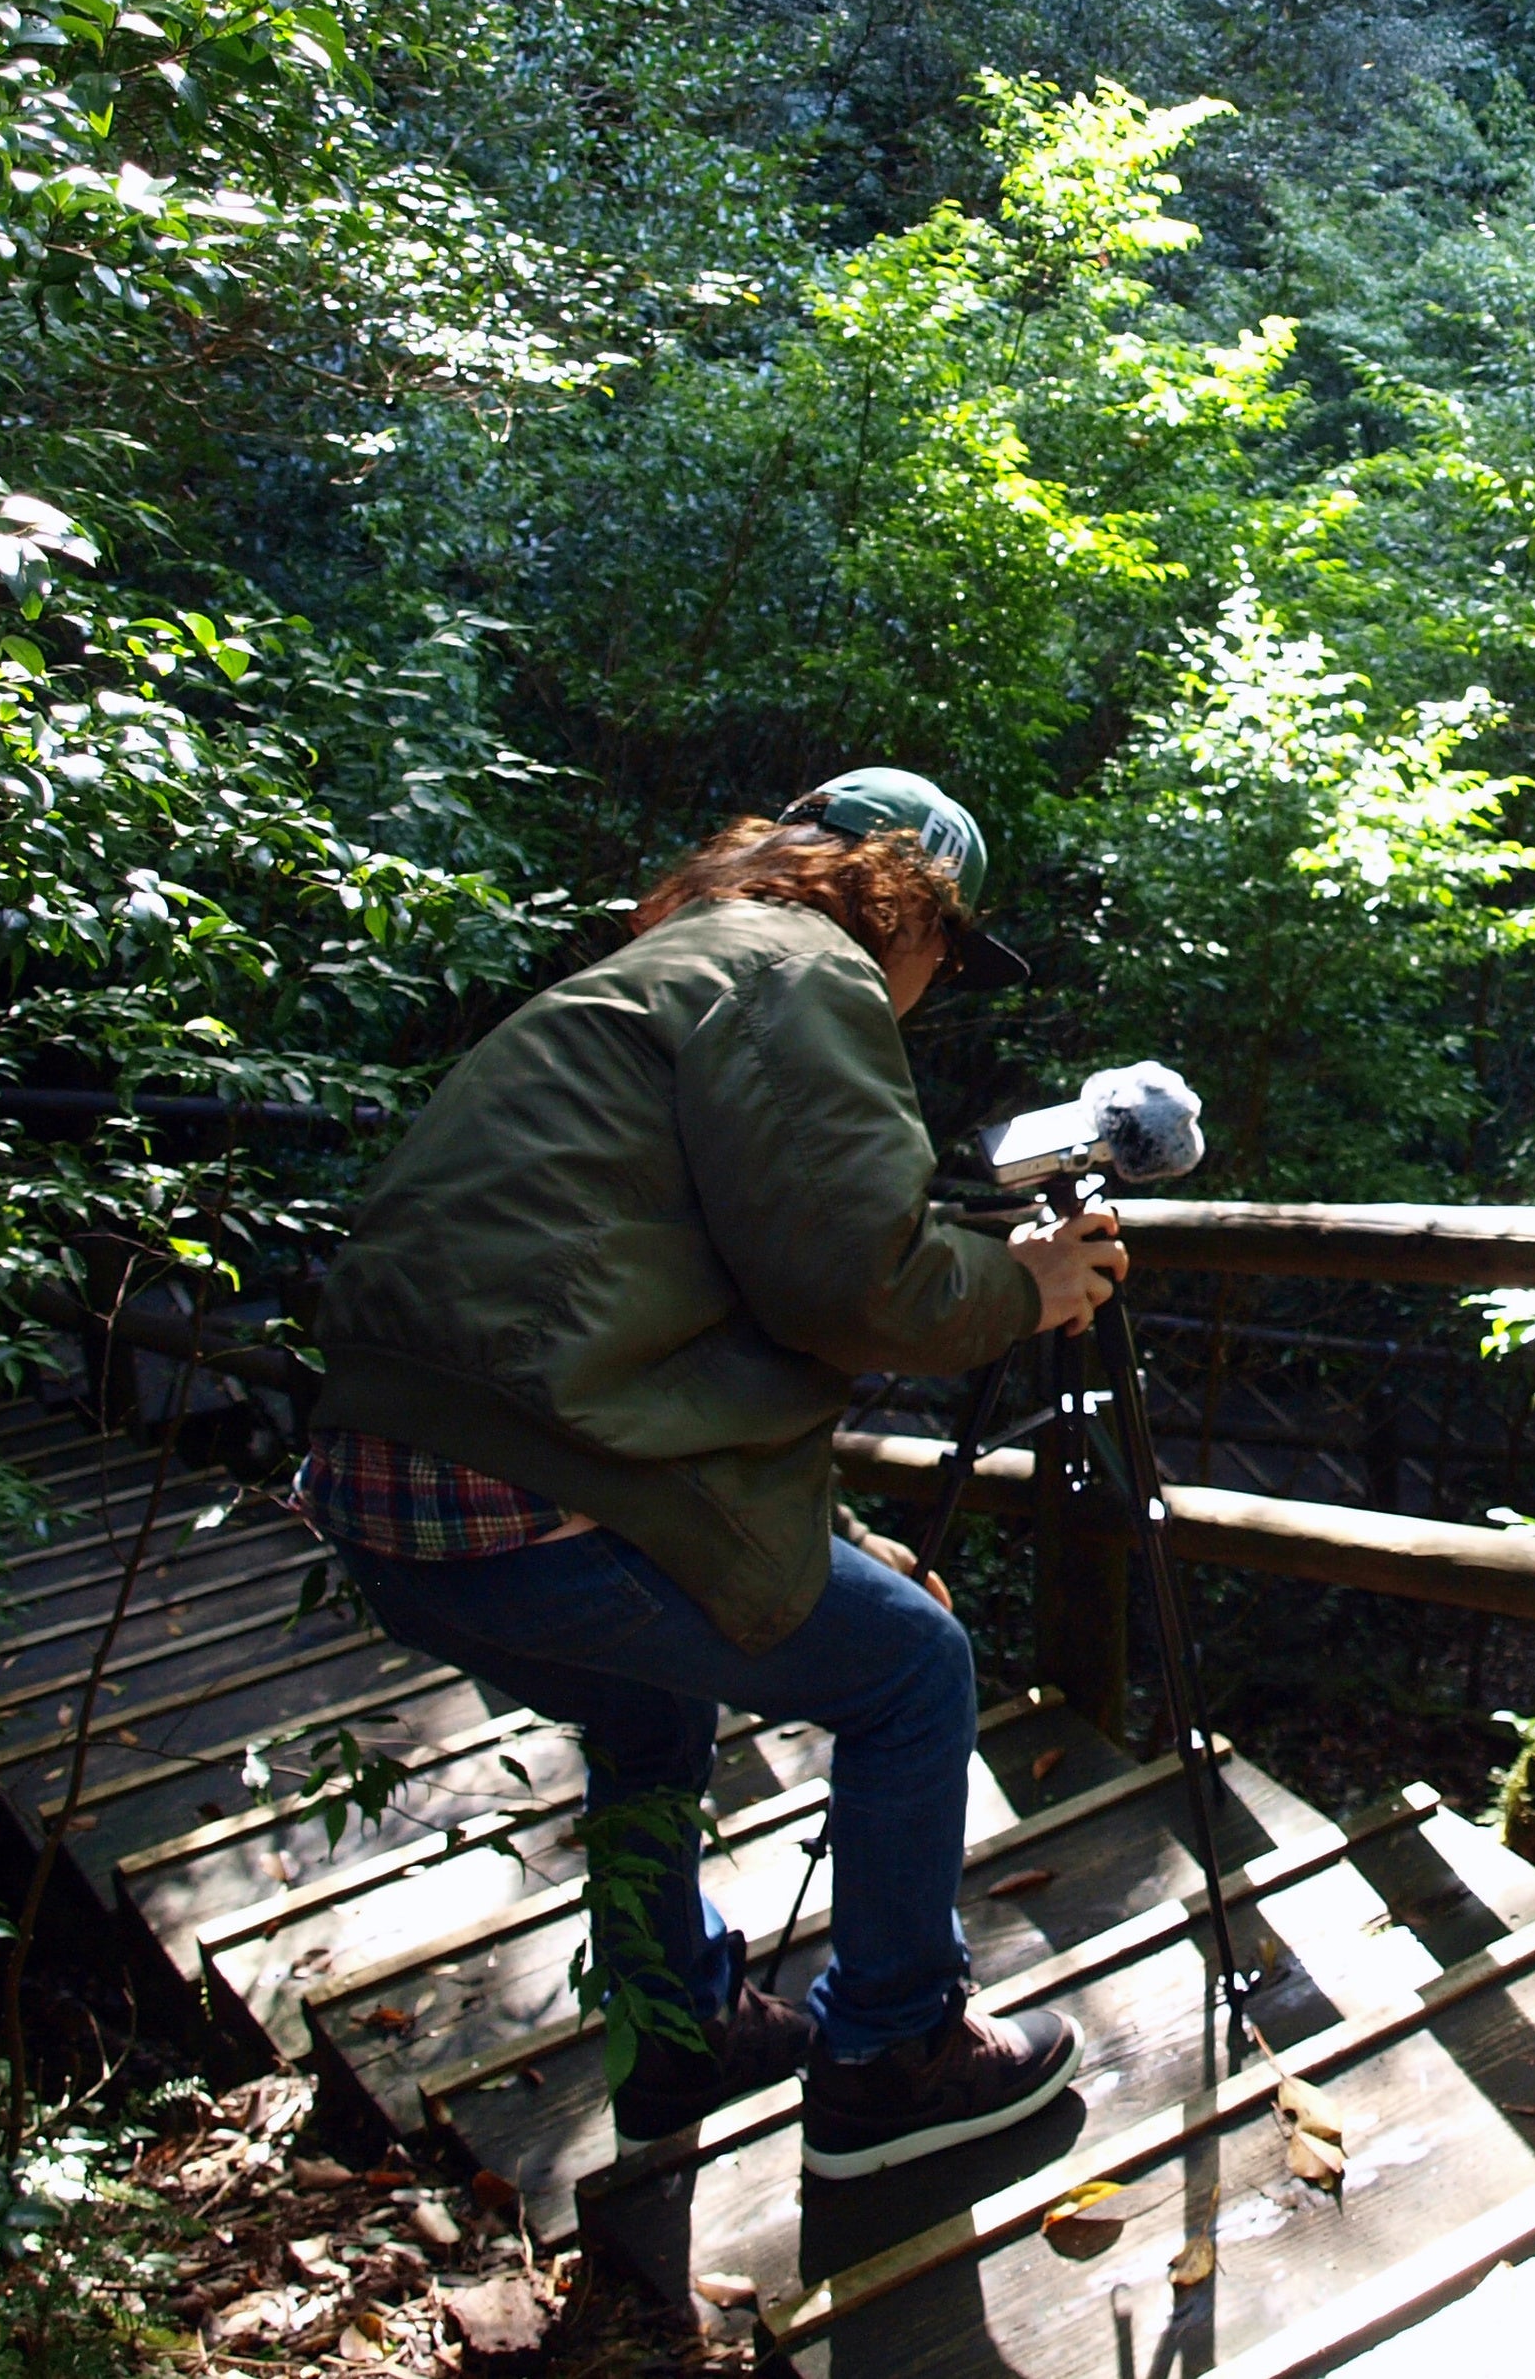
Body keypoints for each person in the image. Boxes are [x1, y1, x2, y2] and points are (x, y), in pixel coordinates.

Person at [302, 767, 1129, 2175]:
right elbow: (849, 1284)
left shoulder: (668, 965)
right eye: (949, 945)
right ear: (905, 905)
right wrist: (1023, 1283)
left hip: (389, 1487)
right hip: (529, 1486)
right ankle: (892, 2056)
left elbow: (680, 1340)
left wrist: (836, 1538)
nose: (939, 979)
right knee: (913, 1671)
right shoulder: (804, 970)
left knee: (650, 1703)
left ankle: (678, 2027)